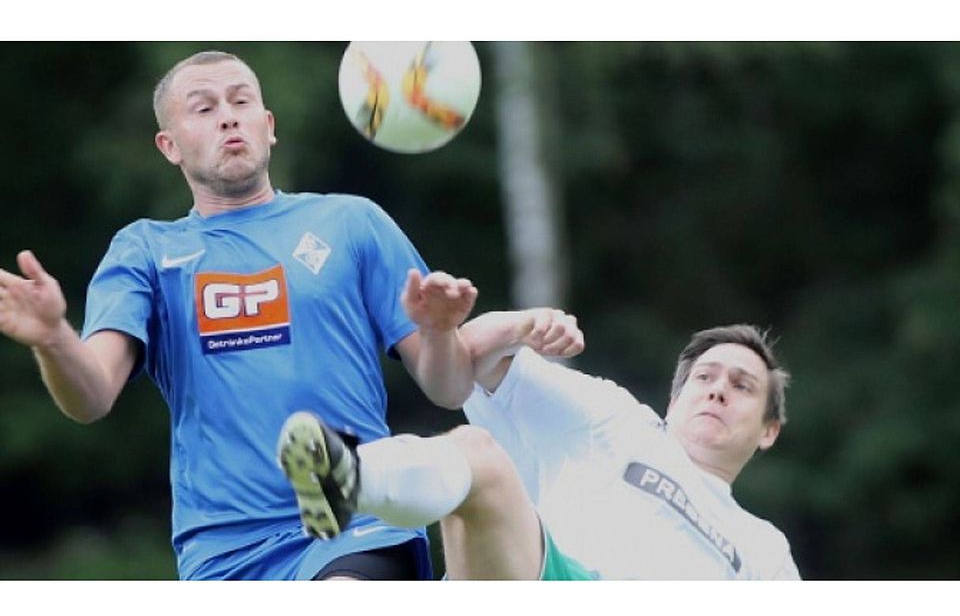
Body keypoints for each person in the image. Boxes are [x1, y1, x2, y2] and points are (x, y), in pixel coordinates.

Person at [0, 50, 480, 580]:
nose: (228, 116)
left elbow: (451, 389)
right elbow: (90, 397)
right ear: (170, 146)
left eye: (241, 101)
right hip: (224, 550)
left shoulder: (352, 222)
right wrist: (51, 337)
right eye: (203, 109)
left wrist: (439, 332)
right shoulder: (145, 251)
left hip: (354, 524)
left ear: (268, 127)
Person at [278, 309, 801, 579]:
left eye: (742, 386)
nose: (717, 389)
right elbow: (475, 361)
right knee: (478, 456)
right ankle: (344, 478)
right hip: (554, 583)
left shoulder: (765, 550)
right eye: (706, 377)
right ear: (674, 399)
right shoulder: (620, 422)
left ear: (768, 430)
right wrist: (523, 326)